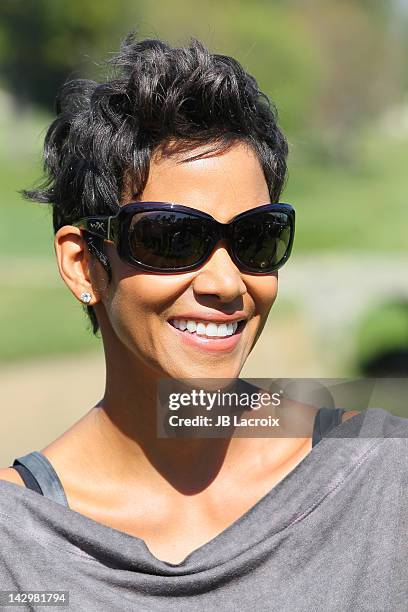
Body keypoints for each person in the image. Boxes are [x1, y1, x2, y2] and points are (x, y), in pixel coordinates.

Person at [0, 32, 406, 611]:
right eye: (170, 239)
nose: (225, 282)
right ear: (82, 264)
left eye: (255, 238)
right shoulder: (13, 550)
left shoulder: (385, 477)